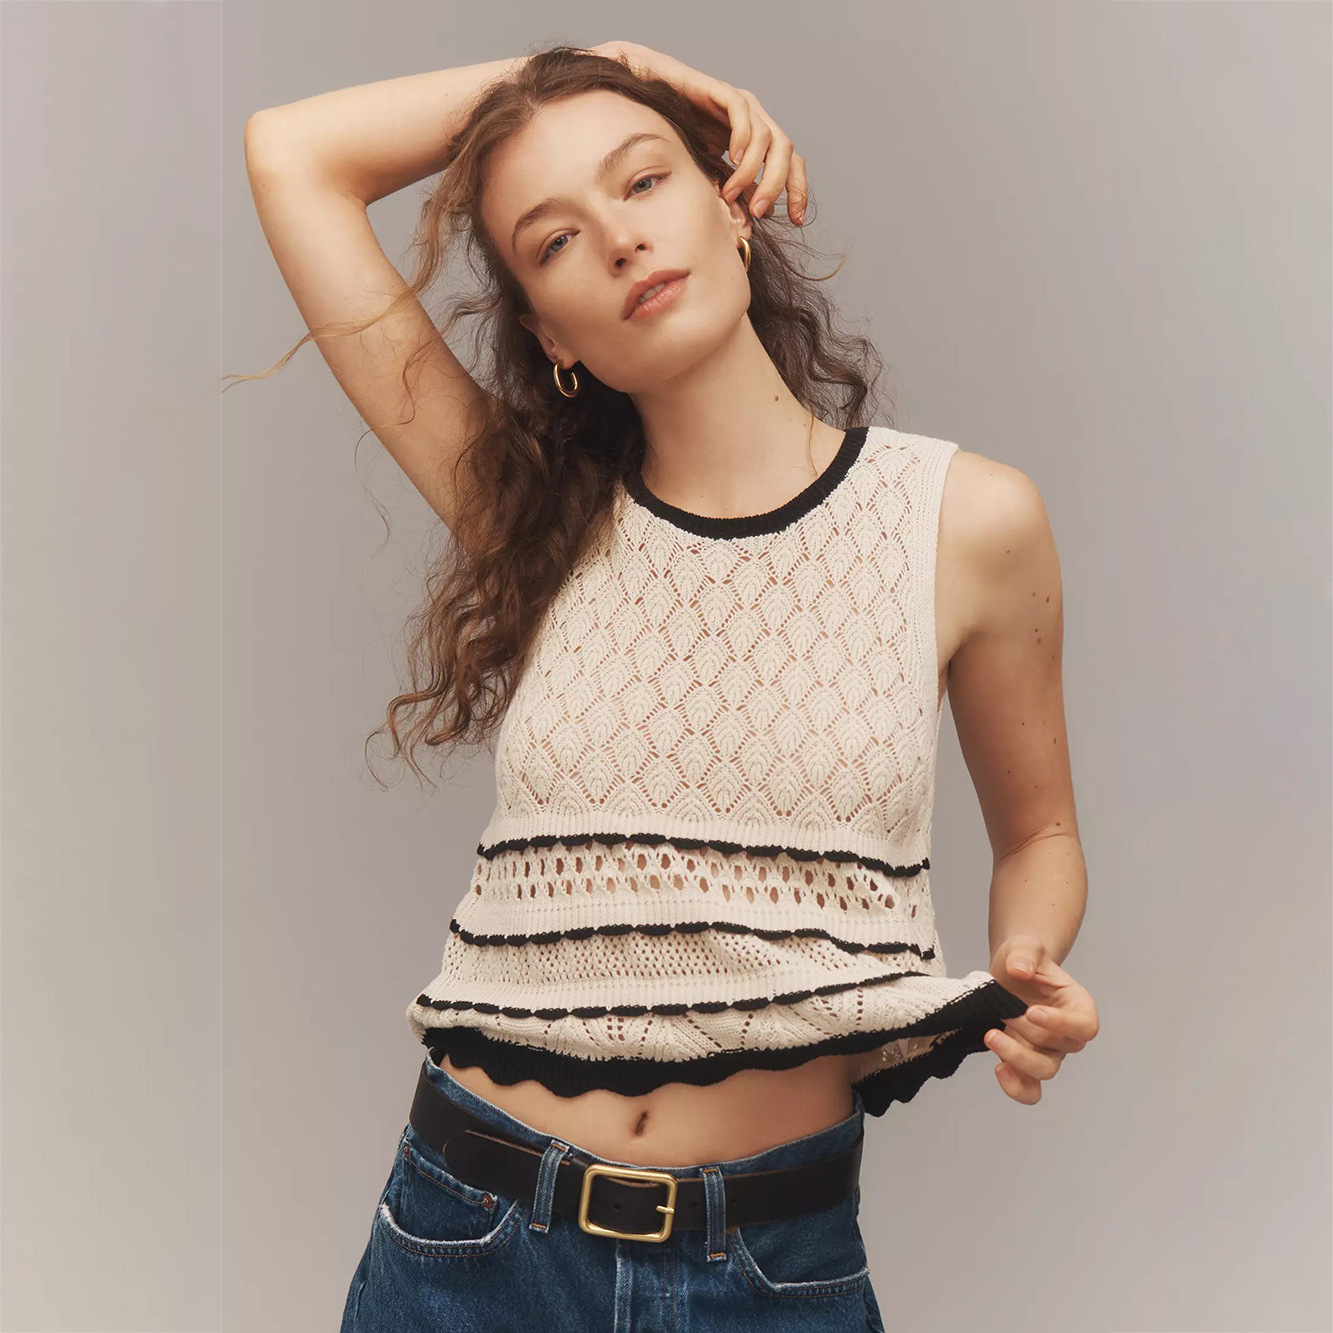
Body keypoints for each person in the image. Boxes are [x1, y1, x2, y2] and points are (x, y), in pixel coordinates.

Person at [238, 40, 1100, 1331]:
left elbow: (1039, 836)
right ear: (549, 332)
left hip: (770, 1266)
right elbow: (291, 155)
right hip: (470, 1245)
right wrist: (602, 62)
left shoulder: (963, 521)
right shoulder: (527, 522)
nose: (620, 240)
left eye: (644, 180)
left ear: (732, 203)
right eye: (554, 242)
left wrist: (1026, 960)